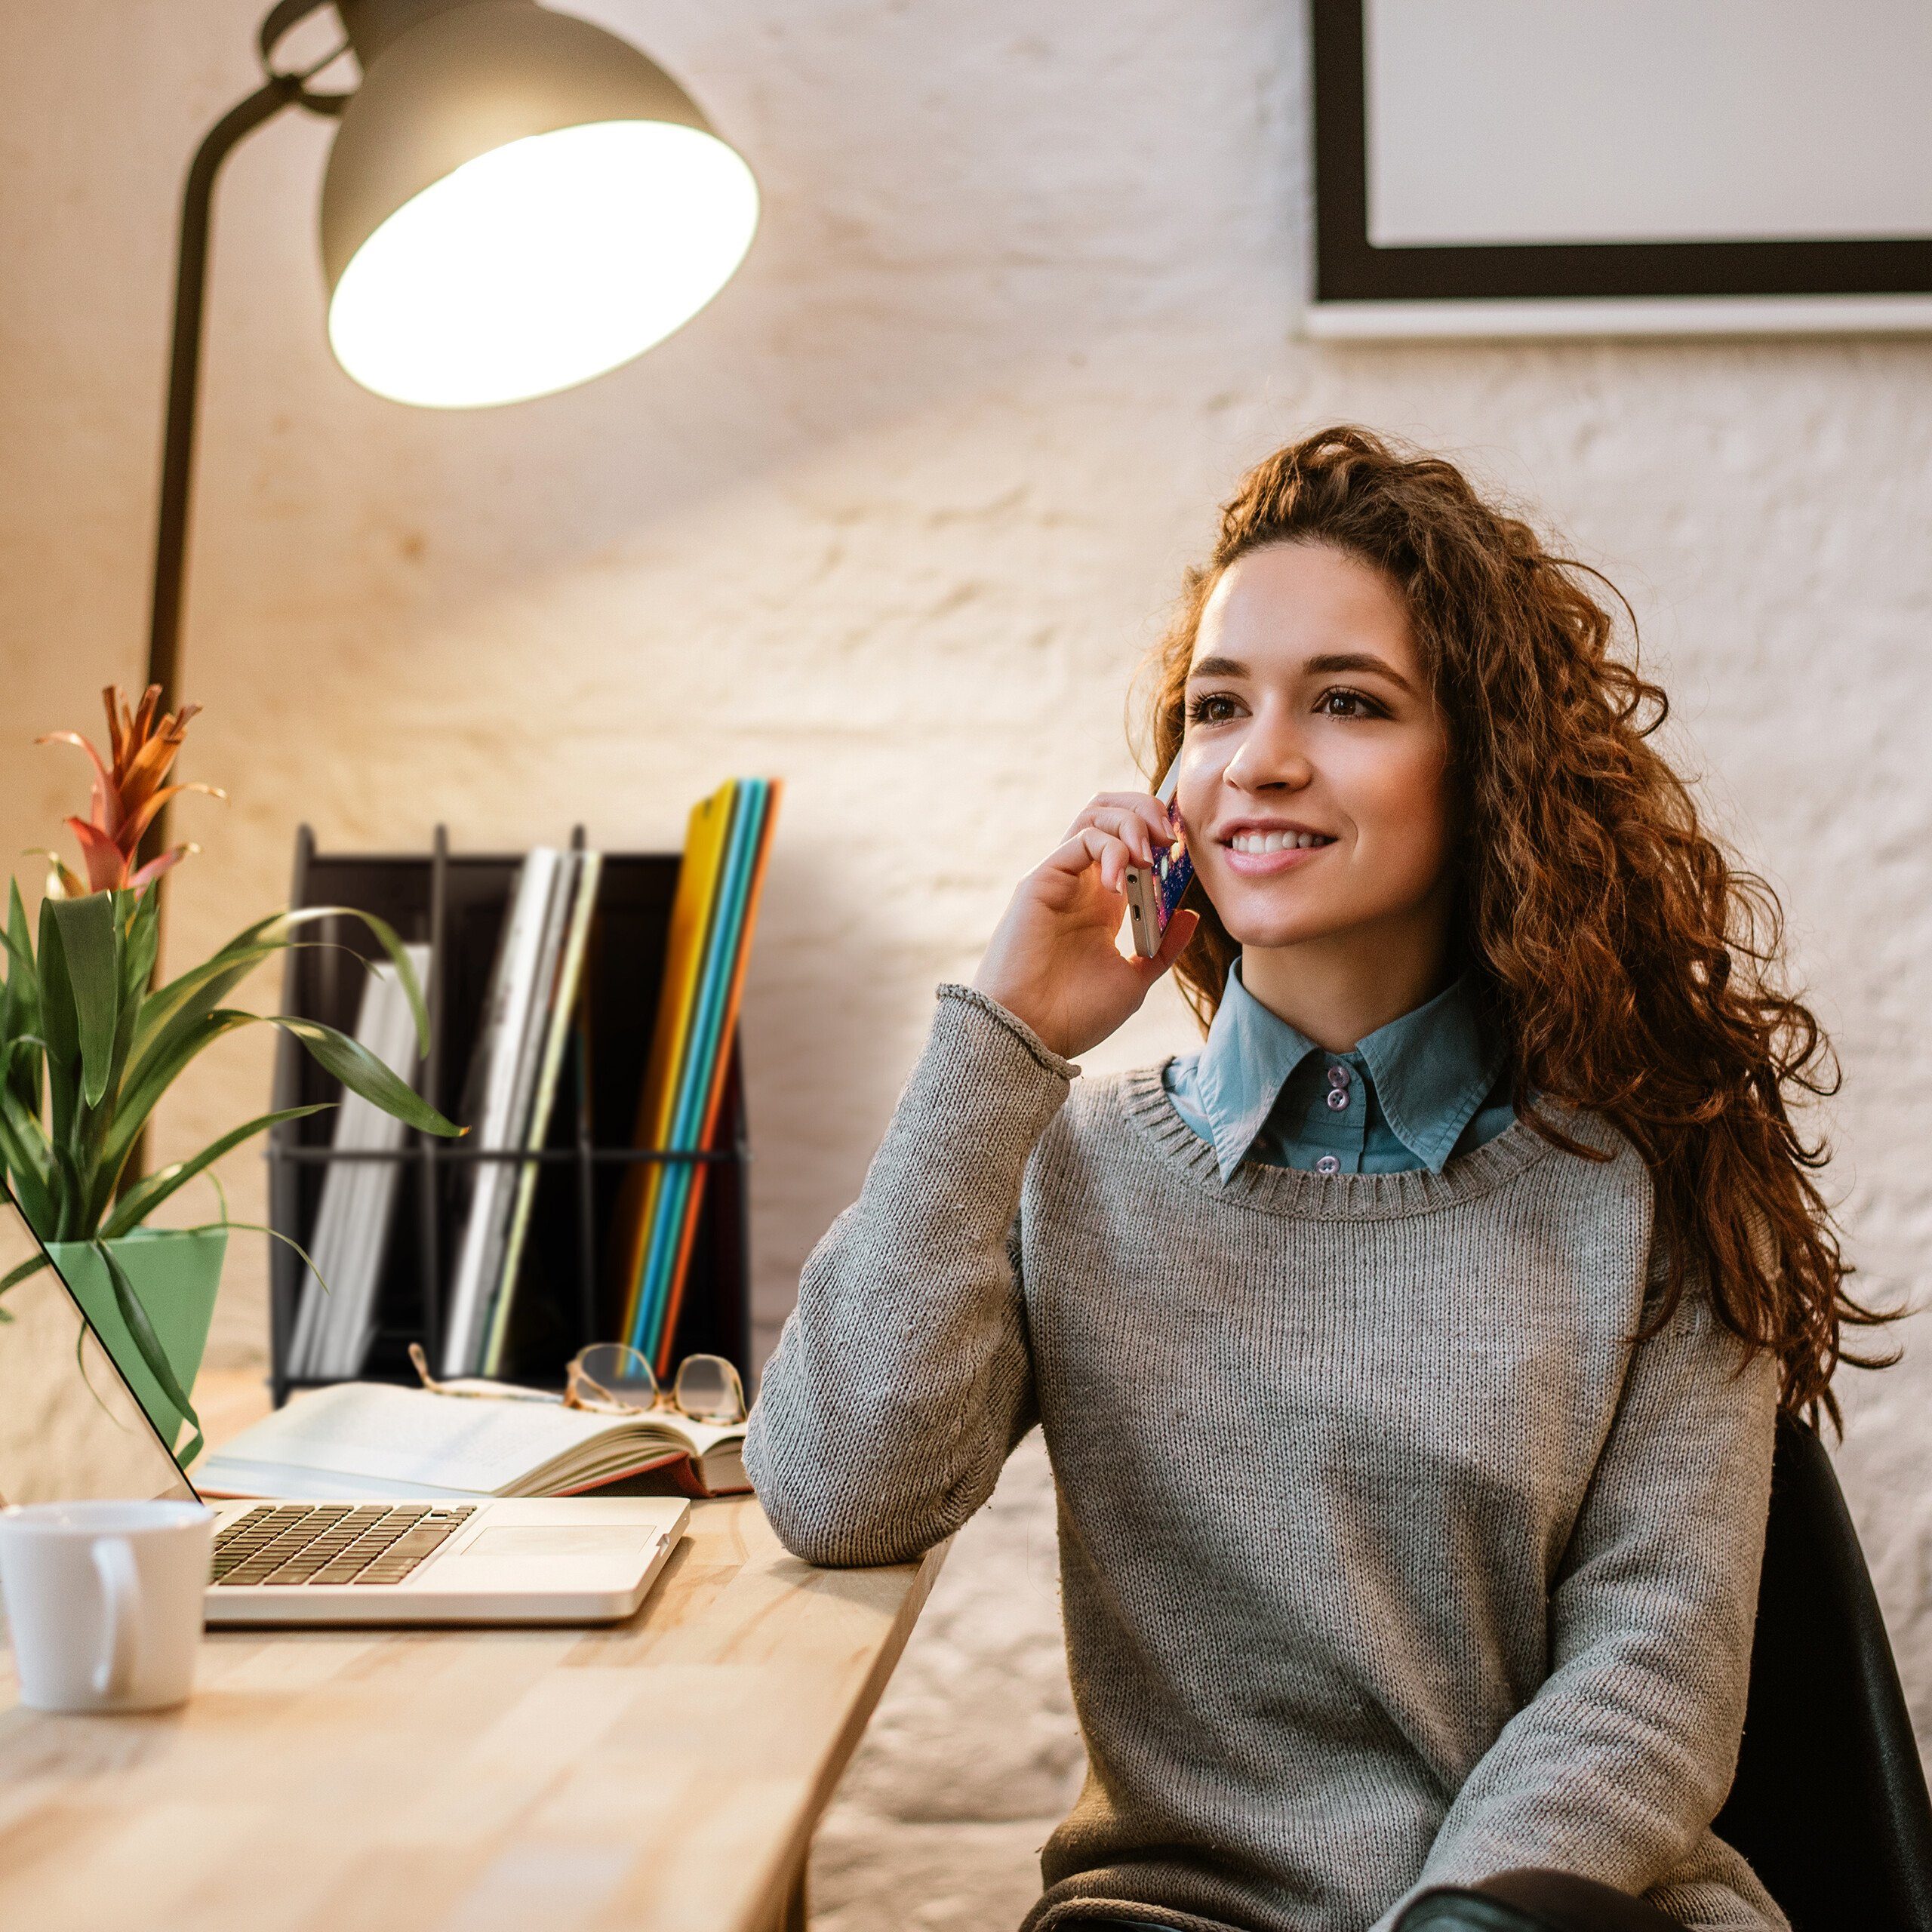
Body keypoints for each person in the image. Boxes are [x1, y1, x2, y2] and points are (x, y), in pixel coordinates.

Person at [745, 426, 1891, 1932]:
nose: (1259, 755)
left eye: (1345, 700)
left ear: (1480, 764)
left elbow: (1650, 1666)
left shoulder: (1646, 1183)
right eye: (1215, 707)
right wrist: (1003, 1040)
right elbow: (836, 1491)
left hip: (1550, 1908)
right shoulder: (1072, 1165)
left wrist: (1460, 1918)